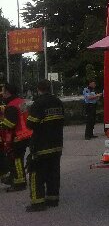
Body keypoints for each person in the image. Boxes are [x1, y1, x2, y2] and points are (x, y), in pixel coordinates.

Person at [25, 79, 65, 212]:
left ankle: (37, 203)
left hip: (41, 145)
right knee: (53, 172)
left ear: (39, 89)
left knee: (36, 173)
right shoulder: (58, 102)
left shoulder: (38, 103)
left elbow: (31, 124)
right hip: (57, 143)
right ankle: (53, 199)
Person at [0, 83, 32, 192]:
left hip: (17, 136)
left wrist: (1, 122)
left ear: (8, 92)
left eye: (3, 91)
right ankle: (15, 178)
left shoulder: (11, 106)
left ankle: (19, 183)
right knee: (18, 158)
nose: (2, 93)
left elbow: (10, 124)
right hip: (25, 134)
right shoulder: (20, 101)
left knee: (16, 160)